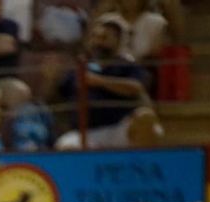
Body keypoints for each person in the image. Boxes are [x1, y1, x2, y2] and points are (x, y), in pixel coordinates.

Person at [53, 15, 160, 148]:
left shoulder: (126, 65)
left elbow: (135, 87)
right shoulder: (78, 67)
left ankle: (140, 167)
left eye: (104, 38)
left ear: (118, 41)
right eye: (95, 37)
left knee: (145, 118)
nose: (98, 42)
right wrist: (50, 79)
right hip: (86, 132)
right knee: (67, 147)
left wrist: (98, 81)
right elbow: (54, 98)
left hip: (119, 128)